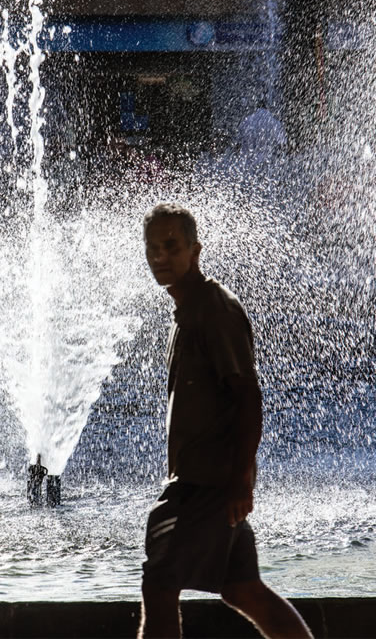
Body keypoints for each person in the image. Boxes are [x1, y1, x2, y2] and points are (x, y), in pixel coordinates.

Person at [138, 203, 313, 639]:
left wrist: (240, 478)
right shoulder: (190, 308)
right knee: (242, 590)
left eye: (171, 246)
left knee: (159, 585)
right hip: (209, 480)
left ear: (195, 250)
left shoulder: (214, 310)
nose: (160, 256)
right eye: (152, 247)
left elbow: (249, 396)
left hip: (207, 484)